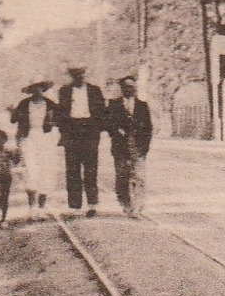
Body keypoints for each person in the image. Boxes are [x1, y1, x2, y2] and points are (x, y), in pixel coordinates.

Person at [56, 66, 107, 216]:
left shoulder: (95, 90)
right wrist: (64, 130)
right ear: (72, 76)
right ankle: (74, 205)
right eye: (76, 74)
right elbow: (60, 113)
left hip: (90, 131)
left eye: (82, 74)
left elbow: (102, 111)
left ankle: (92, 204)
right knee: (72, 169)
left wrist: (97, 129)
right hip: (72, 130)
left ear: (85, 74)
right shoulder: (64, 91)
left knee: (90, 168)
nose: (79, 77)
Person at [105, 76, 154, 216]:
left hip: (137, 147)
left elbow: (148, 128)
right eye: (127, 87)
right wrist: (117, 130)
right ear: (122, 88)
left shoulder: (142, 105)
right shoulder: (114, 104)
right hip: (120, 147)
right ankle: (125, 203)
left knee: (139, 177)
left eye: (133, 87)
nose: (131, 90)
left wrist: (144, 148)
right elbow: (107, 124)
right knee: (122, 176)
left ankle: (137, 206)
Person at [10, 81, 58, 211]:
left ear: (43, 89)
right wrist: (18, 142)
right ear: (31, 90)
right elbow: (14, 120)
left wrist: (52, 122)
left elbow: (59, 120)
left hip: (45, 138)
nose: (37, 91)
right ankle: (32, 207)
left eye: (40, 88)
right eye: (34, 88)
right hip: (29, 138)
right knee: (31, 171)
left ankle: (41, 207)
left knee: (45, 171)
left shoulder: (50, 104)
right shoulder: (24, 104)